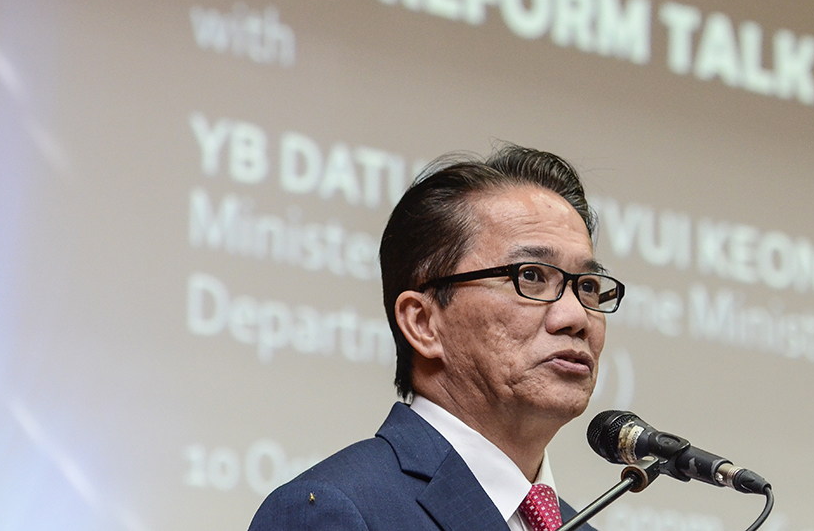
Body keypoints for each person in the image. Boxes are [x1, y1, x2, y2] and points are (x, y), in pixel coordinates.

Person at [248, 144, 624, 531]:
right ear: (423, 323)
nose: (577, 317)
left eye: (589, 286)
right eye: (530, 276)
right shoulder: (335, 510)